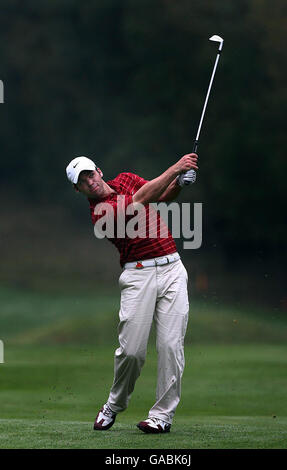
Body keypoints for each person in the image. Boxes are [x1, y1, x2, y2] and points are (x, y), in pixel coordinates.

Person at [65, 153, 198, 433]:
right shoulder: (100, 212)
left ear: (99, 171)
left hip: (173, 268)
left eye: (90, 174)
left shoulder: (126, 178)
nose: (90, 181)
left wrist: (179, 184)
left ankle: (162, 417)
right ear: (78, 190)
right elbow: (140, 201)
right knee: (132, 352)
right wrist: (176, 167)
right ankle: (114, 405)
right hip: (138, 276)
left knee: (171, 347)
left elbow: (159, 196)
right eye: (82, 182)